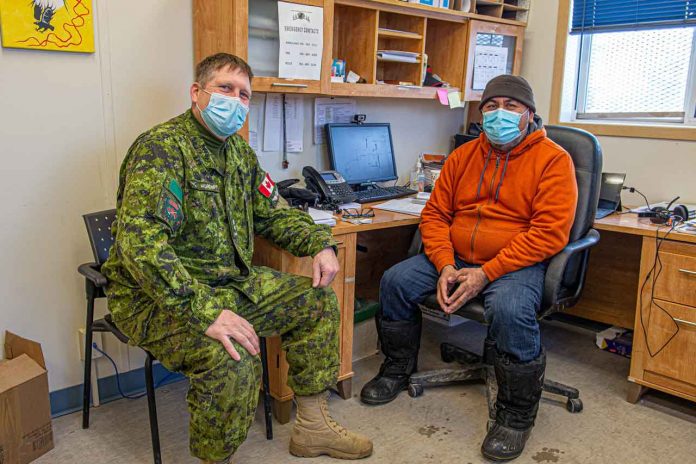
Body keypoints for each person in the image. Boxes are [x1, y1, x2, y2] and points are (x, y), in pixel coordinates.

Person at [102, 53, 372, 464]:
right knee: (234, 359)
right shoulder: (162, 149)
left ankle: (312, 427)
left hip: (228, 284)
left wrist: (320, 244)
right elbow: (142, 246)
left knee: (315, 302)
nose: (236, 100)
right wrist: (207, 311)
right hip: (154, 299)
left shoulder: (239, 156)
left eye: (244, 95)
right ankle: (216, 459)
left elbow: (274, 212)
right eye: (226, 89)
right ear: (197, 93)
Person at [360, 75, 578, 461]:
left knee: (510, 309)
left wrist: (486, 273)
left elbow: (549, 235)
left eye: (511, 107)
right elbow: (435, 216)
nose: (500, 114)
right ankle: (396, 368)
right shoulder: (463, 156)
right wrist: (444, 264)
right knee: (395, 281)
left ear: (529, 114)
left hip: (515, 262)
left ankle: (515, 415)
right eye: (491, 106)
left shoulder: (554, 161)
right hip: (456, 256)